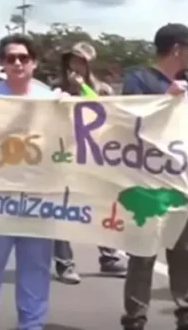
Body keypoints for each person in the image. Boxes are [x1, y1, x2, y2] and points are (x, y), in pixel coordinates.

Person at [0, 35, 60, 330]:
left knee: (36, 273)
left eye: (23, 58)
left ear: (34, 63)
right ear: (3, 64)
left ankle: (32, 326)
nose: (17, 63)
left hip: (38, 201)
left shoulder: (51, 100)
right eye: (10, 58)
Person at [120, 23, 188, 330]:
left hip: (184, 181)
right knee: (143, 251)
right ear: (176, 49)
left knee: (187, 252)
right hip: (148, 182)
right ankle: (135, 316)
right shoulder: (139, 80)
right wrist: (165, 100)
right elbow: (129, 123)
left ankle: (187, 311)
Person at [53, 42, 127, 284]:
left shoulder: (102, 90)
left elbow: (105, 112)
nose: (75, 66)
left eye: (81, 61)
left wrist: (83, 88)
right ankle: (65, 263)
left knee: (101, 208)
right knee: (62, 210)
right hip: (65, 157)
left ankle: (109, 258)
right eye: (72, 60)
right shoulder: (57, 90)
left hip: (96, 158)